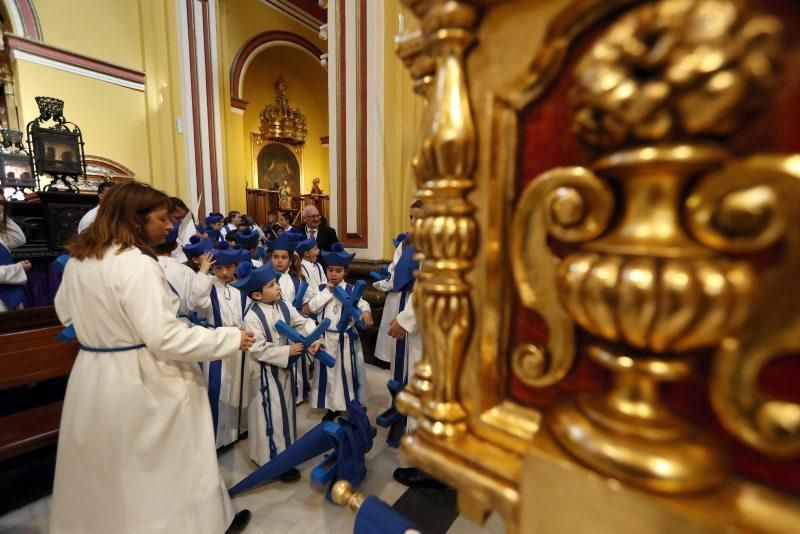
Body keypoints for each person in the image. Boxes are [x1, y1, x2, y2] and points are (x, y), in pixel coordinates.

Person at [50, 181, 254, 534]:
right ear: (135, 220)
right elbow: (165, 337)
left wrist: (104, 331)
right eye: (161, 218)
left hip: (93, 374)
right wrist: (229, 337)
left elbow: (64, 314)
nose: (170, 226)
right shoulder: (137, 265)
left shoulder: (80, 261)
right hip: (144, 377)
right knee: (163, 468)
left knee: (112, 468)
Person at [234, 264, 322, 478]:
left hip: (284, 370)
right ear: (256, 294)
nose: (278, 287)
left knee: (285, 413)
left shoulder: (283, 306)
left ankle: (285, 454)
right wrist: (287, 350)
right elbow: (257, 348)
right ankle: (270, 461)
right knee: (269, 415)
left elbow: (303, 323)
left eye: (276, 283)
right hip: (264, 374)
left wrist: (315, 338)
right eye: (272, 285)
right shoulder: (252, 317)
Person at [189, 241, 250, 448]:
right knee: (217, 388)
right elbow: (195, 303)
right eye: (219, 268)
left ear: (235, 266)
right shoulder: (208, 289)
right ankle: (215, 439)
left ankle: (234, 431)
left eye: (229, 267)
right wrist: (203, 272)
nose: (224, 272)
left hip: (239, 345)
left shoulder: (240, 289)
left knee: (237, 388)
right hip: (216, 341)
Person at [307, 243, 374, 420]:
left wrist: (366, 312)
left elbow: (362, 303)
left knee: (348, 372)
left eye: (338, 270)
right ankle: (333, 406)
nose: (334, 274)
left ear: (345, 272)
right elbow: (312, 308)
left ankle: (353, 402)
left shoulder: (351, 290)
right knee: (329, 375)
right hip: (326, 338)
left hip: (345, 339)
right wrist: (327, 292)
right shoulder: (321, 289)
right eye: (330, 270)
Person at [373, 201, 423, 373]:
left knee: (417, 357)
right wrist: (385, 281)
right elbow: (395, 270)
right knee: (399, 356)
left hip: (418, 306)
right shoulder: (405, 243)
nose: (414, 222)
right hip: (401, 299)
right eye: (411, 217)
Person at [268, 234, 312, 402]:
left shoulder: (297, 280)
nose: (279, 261)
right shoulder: (266, 279)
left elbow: (309, 299)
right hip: (273, 327)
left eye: (284, 257)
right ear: (270, 257)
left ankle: (297, 395)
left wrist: (306, 307)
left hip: (293, 327)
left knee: (296, 363)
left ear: (290, 259)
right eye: (276, 257)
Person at [0, 196, 31, 312]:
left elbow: (19, 239)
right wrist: (18, 268)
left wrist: (3, 217)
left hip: (9, 298)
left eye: (1, 203)